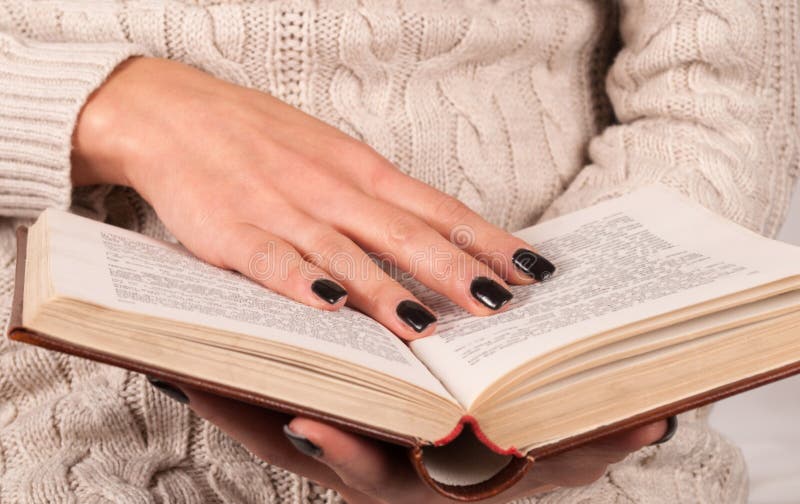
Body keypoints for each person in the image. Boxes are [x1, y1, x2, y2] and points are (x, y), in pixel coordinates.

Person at [0, 1, 795, 502]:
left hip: (586, 468)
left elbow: (717, 99)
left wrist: (552, 390)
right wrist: (108, 111)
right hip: (50, 436)